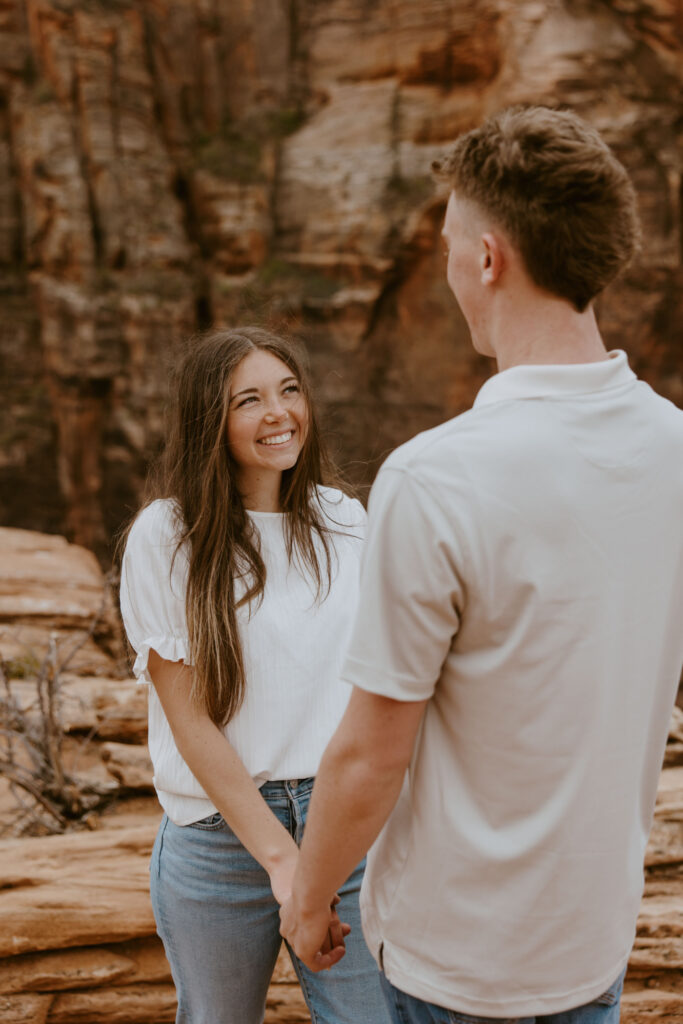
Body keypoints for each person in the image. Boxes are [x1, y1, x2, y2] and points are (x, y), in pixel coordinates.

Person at [279, 105, 683, 1024]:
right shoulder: (674, 447)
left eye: (454, 242)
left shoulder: (435, 475)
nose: (451, 266)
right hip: (593, 942)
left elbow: (372, 750)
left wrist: (308, 900)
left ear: (490, 257)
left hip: (455, 960)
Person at [119, 326, 391, 1024]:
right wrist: (280, 861)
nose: (279, 413)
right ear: (211, 420)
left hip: (346, 829)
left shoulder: (345, 519)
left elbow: (377, 684)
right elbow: (189, 719)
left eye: (289, 390)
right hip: (218, 838)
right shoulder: (166, 534)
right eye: (249, 400)